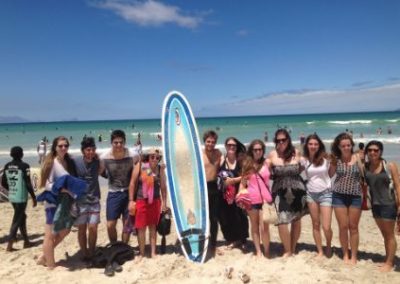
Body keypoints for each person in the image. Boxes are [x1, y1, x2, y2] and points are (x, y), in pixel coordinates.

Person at [37, 136, 77, 269]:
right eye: (60, 146)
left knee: (65, 230)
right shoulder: (52, 163)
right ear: (55, 147)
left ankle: (44, 257)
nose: (63, 148)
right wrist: (62, 189)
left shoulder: (68, 162)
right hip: (53, 201)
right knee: (50, 234)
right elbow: (46, 185)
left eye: (66, 145)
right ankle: (51, 266)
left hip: (65, 202)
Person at [267, 129, 307, 257]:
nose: (281, 142)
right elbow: (265, 172)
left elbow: (302, 168)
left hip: (297, 190)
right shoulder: (272, 155)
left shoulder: (296, 152)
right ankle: (287, 249)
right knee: (282, 221)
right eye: (278, 140)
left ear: (288, 140)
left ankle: (293, 247)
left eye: (283, 140)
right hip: (279, 191)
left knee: (296, 220)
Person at [364, 140, 400, 272]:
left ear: (380, 152)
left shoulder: (390, 166)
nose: (373, 152)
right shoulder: (366, 167)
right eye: (370, 150)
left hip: (388, 205)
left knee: (390, 235)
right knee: (385, 234)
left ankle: (390, 263)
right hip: (375, 205)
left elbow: (397, 186)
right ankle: (388, 259)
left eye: (376, 150)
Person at [329, 132, 362, 265]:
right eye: (343, 146)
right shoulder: (336, 159)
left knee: (353, 227)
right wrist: (332, 163)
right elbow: (330, 175)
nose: (346, 148)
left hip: (355, 196)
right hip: (338, 196)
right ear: (339, 147)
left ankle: (354, 255)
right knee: (343, 226)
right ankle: (345, 254)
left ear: (351, 145)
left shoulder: (358, 157)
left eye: (348, 145)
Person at [101, 129, 139, 243]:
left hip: (129, 192)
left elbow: (140, 167)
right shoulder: (105, 157)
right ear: (111, 143)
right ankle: (114, 246)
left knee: (127, 224)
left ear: (125, 142)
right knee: (110, 225)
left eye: (121, 142)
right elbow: (99, 171)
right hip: (113, 193)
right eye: (116, 142)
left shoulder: (133, 155)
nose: (118, 145)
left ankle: (124, 247)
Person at [128, 147, 167, 259]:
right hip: (141, 200)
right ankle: (141, 253)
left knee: (153, 227)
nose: (155, 159)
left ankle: (153, 253)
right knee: (141, 228)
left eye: (157, 157)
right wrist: (131, 201)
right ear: (148, 157)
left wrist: (164, 203)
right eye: (152, 157)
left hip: (155, 201)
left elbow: (163, 187)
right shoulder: (140, 166)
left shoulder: (160, 169)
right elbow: (132, 183)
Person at [301, 134, 333, 258]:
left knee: (326, 226)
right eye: (310, 144)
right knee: (315, 224)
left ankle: (328, 245)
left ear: (319, 145)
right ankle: (320, 250)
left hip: (326, 194)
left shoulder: (326, 158)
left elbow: (331, 174)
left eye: (315, 144)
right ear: (307, 145)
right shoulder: (304, 160)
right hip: (311, 194)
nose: (313, 146)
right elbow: (295, 170)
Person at [2, 146, 37, 251]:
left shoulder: (7, 166)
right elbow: (27, 183)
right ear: (22, 154)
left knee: (22, 216)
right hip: (21, 197)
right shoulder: (24, 166)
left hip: (12, 196)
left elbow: (3, 182)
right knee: (17, 219)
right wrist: (33, 197)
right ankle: (10, 244)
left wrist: (11, 189)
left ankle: (26, 241)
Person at [73, 137, 103, 261]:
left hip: (94, 199)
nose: (90, 152)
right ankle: (85, 253)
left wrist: (98, 157)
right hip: (81, 201)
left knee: (93, 228)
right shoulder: (76, 161)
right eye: (88, 150)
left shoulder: (97, 161)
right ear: (83, 151)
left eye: (92, 149)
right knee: (82, 229)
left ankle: (91, 251)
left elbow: (101, 170)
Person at [241, 139, 271, 257]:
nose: (258, 152)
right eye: (255, 150)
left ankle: (267, 250)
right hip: (252, 199)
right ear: (251, 151)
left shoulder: (267, 163)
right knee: (254, 226)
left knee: (264, 227)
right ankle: (258, 251)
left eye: (260, 149)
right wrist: (241, 195)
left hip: (265, 200)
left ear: (263, 150)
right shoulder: (247, 165)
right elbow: (243, 183)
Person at [218, 137, 249, 250]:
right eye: (229, 145)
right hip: (224, 194)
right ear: (226, 146)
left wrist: (233, 181)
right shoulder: (222, 159)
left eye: (234, 145)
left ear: (236, 147)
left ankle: (243, 240)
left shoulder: (240, 160)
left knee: (241, 217)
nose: (231, 147)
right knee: (225, 217)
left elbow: (246, 175)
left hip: (238, 192)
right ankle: (232, 239)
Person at [202, 130, 222, 256]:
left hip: (214, 188)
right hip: (202, 188)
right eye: (208, 141)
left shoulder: (218, 153)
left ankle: (213, 244)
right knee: (202, 218)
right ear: (204, 141)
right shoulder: (199, 154)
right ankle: (201, 242)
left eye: (213, 142)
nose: (210, 144)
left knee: (214, 219)